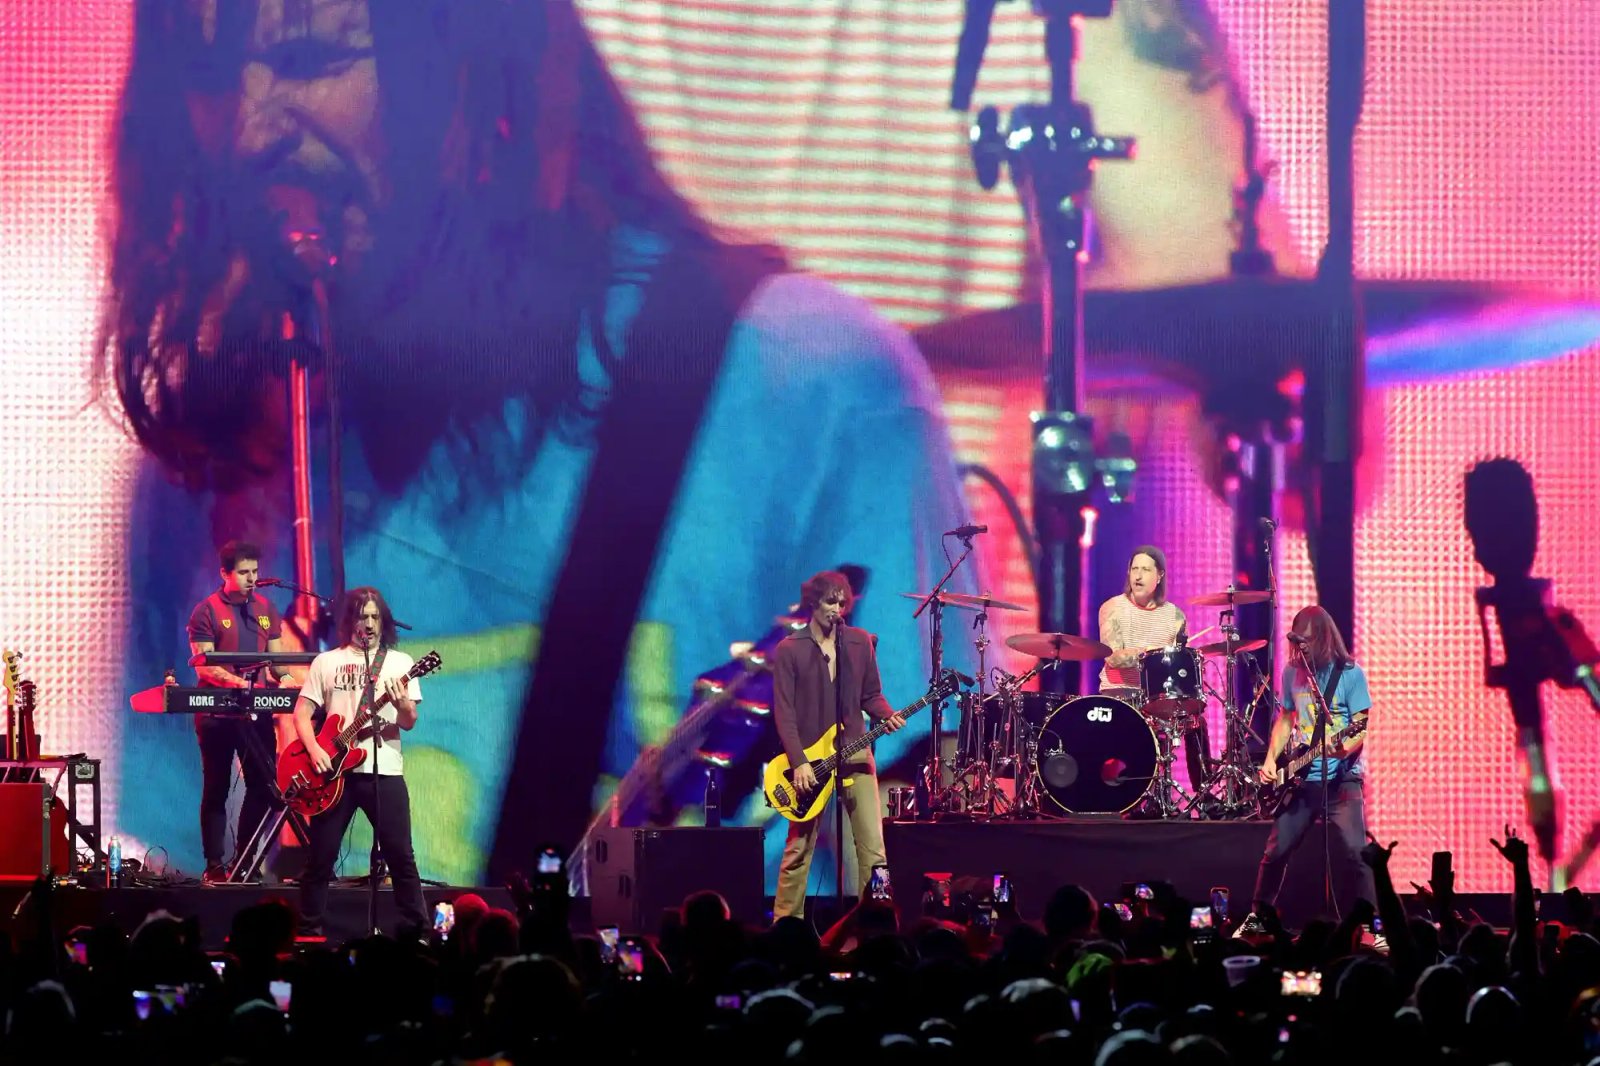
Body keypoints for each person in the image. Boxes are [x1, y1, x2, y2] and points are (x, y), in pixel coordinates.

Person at [99, 1, 974, 885]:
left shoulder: (813, 391)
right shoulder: (208, 466)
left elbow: (933, 896)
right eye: (207, 77)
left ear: (480, 58)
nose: (246, 133)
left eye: (309, 53)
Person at [771, 571, 906, 920]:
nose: (837, 610)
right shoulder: (790, 649)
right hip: (809, 762)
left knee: (874, 851)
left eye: (842, 603)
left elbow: (872, 695)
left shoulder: (860, 642)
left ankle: (877, 925)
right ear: (813, 601)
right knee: (798, 850)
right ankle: (786, 928)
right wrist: (799, 761)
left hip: (855, 751)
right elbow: (784, 713)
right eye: (831, 602)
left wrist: (887, 714)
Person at [293, 587, 427, 936]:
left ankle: (416, 931)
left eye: (374, 617)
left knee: (400, 855)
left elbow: (409, 722)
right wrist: (315, 749)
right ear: (349, 620)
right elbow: (302, 714)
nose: (368, 624)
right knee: (320, 858)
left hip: (384, 770)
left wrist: (402, 706)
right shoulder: (327, 662)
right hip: (335, 775)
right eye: (361, 616)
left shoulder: (399, 663)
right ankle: (308, 931)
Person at [186, 539, 301, 884]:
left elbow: (278, 664)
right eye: (244, 572)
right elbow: (204, 666)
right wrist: (238, 683)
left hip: (258, 710)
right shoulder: (205, 611)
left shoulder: (266, 608)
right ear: (225, 573)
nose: (252, 578)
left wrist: (290, 679)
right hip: (217, 714)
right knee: (217, 787)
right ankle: (215, 863)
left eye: (255, 571)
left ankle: (245, 857)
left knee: (265, 786)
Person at [1249, 604, 1375, 917]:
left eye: (1306, 642)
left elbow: (1360, 726)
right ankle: (1259, 918)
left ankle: (1374, 926)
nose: (1301, 649)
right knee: (1275, 852)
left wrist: (1343, 749)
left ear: (1322, 638)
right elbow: (1287, 717)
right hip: (1302, 780)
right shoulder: (1292, 672)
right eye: (1296, 642)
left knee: (1360, 856)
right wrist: (1270, 760)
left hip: (1342, 781)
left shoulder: (1350, 673)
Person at [1095, 545, 1209, 795]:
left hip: (1156, 697)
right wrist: (1148, 652)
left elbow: (1177, 663)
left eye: (1145, 570)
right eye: (1134, 569)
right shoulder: (1113, 608)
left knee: (1196, 719)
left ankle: (1204, 794)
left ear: (1159, 576)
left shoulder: (1175, 616)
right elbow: (1112, 657)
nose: (1137, 576)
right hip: (1120, 693)